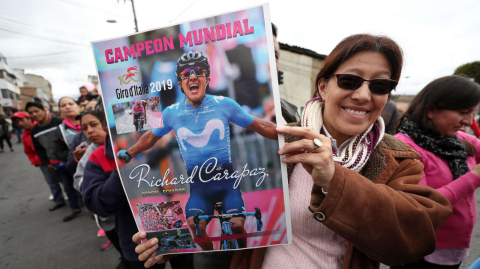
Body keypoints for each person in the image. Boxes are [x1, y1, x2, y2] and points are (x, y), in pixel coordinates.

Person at [135, 34, 454, 268]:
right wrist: (171, 242)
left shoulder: (398, 159)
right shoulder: (280, 137)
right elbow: (234, 222)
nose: (362, 94)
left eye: (380, 86)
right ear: (324, 86)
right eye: (349, 80)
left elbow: (411, 241)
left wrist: (335, 178)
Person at [118, 50, 277, 254]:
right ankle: (211, 255)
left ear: (207, 79)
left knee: (237, 226)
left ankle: (243, 259)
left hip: (228, 185)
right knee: (196, 228)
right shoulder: (171, 112)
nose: (192, 77)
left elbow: (262, 126)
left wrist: (287, 135)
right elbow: (150, 137)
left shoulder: (225, 104)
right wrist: (130, 152)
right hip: (200, 190)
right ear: (180, 83)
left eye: (198, 73)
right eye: (186, 75)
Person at [81, 99, 194, 269]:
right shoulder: (99, 157)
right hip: (138, 239)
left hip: (185, 226)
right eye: (123, 115)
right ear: (105, 125)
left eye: (141, 113)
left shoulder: (172, 143)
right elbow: (97, 204)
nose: (134, 120)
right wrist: (121, 173)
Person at [393, 75, 480, 269]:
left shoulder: (458, 140)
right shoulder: (405, 148)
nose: (468, 121)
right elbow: (421, 206)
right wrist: (473, 177)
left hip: (453, 249)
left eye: (472, 112)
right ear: (432, 110)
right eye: (463, 112)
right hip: (421, 251)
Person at [26, 102, 82, 222]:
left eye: (36, 111)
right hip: (55, 163)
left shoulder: (60, 122)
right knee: (67, 186)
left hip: (70, 159)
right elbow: (39, 149)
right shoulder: (34, 130)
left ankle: (90, 207)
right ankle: (75, 208)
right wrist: (46, 163)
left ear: (44, 110)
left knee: (80, 182)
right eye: (31, 113)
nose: (34, 114)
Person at [11, 111, 58, 203]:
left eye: (22, 120)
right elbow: (28, 151)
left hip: (54, 159)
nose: (20, 124)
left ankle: (75, 201)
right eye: (17, 122)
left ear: (29, 118)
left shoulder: (40, 128)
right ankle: (59, 200)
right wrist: (34, 161)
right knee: (51, 182)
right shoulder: (24, 136)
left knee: (65, 181)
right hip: (42, 164)